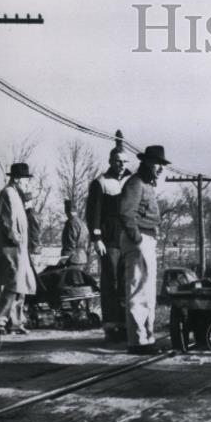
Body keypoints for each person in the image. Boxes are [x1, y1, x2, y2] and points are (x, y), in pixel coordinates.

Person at [119, 145, 169, 354]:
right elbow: (126, 213)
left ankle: (146, 339)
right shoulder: (135, 183)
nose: (160, 168)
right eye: (157, 164)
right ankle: (138, 341)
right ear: (146, 162)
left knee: (147, 292)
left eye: (161, 165)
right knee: (138, 290)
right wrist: (138, 239)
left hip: (147, 238)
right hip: (138, 240)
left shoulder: (147, 184)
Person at [87, 146, 133, 341]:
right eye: (117, 161)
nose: (121, 165)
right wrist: (97, 238)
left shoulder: (133, 181)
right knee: (111, 279)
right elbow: (93, 212)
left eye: (124, 161)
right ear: (110, 161)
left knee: (128, 280)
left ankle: (126, 324)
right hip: (110, 239)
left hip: (130, 237)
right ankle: (111, 325)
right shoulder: (101, 182)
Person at [0, 163, 37, 335]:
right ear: (16, 179)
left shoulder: (18, 195)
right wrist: (15, 238)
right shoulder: (8, 193)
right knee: (13, 284)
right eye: (26, 179)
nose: (27, 183)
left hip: (20, 248)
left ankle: (16, 322)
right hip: (11, 248)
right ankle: (0, 321)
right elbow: (4, 220)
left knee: (22, 285)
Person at [60, 199, 88, 268]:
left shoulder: (70, 223)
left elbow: (69, 244)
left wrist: (63, 260)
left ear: (67, 211)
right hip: (82, 258)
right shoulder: (82, 223)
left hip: (72, 259)